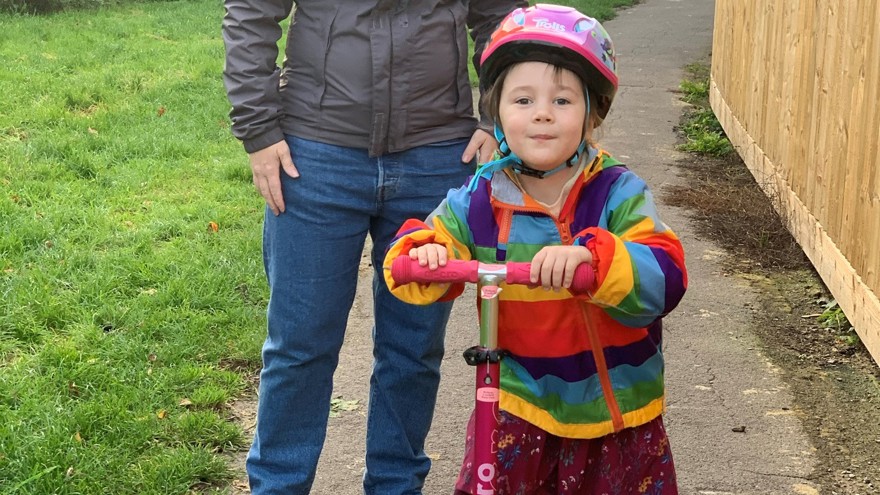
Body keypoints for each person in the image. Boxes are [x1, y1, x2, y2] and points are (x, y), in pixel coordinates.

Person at [221, 0, 526, 493]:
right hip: (313, 157)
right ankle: (277, 486)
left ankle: (395, 485)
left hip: (436, 157)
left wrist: (496, 119)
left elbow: (503, 17)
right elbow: (251, 13)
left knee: (413, 350)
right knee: (299, 347)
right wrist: (257, 129)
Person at [383, 4, 689, 494]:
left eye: (563, 101)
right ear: (497, 113)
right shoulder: (480, 199)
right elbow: (416, 246)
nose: (542, 113)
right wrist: (425, 254)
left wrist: (596, 260)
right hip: (517, 406)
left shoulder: (616, 192)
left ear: (593, 116)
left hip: (617, 413)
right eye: (523, 100)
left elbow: (666, 276)